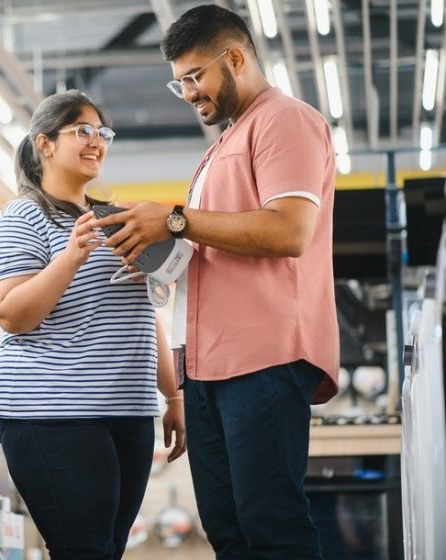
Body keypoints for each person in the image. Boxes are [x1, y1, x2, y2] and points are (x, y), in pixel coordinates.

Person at [91, 6, 340, 560]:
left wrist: (174, 219)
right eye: (178, 82)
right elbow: (216, 243)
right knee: (228, 531)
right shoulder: (219, 149)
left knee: (270, 524)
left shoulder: (285, 121)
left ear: (235, 58)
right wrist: (155, 247)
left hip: (265, 357)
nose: (188, 93)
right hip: (207, 366)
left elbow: (290, 230)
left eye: (194, 76)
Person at [0, 90, 186, 560]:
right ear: (44, 144)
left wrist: (173, 396)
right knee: (84, 550)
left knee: (106, 550)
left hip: (127, 414)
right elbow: (12, 314)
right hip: (54, 416)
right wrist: (70, 256)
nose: (97, 142)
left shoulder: (115, 219)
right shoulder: (21, 218)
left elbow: (141, 313)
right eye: (82, 131)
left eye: (102, 132)